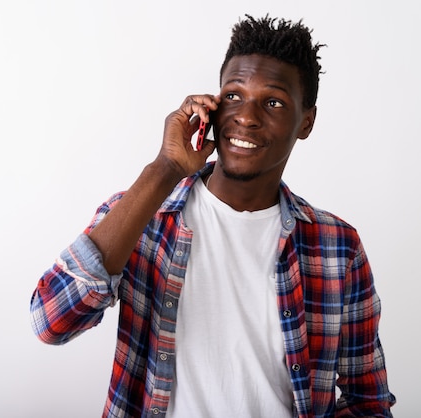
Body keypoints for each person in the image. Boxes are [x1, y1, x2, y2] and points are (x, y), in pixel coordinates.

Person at [29, 15, 396, 418]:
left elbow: (368, 400)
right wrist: (165, 167)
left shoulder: (337, 246)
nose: (247, 116)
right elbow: (51, 322)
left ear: (305, 122)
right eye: (234, 96)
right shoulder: (143, 216)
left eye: (273, 102)